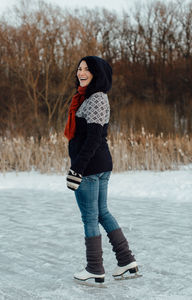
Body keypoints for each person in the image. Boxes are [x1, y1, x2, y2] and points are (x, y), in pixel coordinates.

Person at [64, 56, 138, 283]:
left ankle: (95, 267)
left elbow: (93, 138)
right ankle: (126, 260)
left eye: (87, 69)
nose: (81, 72)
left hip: (90, 167)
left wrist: (77, 168)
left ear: (98, 74)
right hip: (99, 165)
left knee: (90, 217)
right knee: (101, 213)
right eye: (79, 68)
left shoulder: (96, 98)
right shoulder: (87, 98)